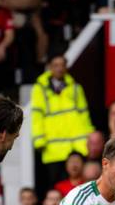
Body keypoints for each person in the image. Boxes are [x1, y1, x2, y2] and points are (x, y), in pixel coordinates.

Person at [31, 55, 95, 195]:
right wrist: (39, 139)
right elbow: (37, 115)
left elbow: (84, 114)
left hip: (76, 146)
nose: (59, 68)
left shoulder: (75, 88)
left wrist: (89, 137)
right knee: (56, 189)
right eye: (56, 65)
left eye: (62, 65)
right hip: (53, 148)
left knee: (80, 186)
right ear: (50, 67)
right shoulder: (40, 88)